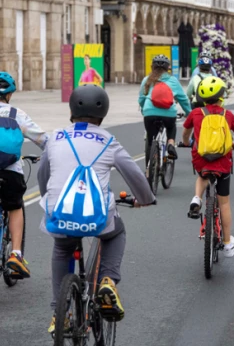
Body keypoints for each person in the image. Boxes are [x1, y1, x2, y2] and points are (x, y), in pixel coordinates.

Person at [38, 84, 156, 333]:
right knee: (116, 233)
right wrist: (145, 198)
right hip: (98, 218)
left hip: (59, 213)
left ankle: (58, 313)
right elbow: (134, 174)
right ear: (102, 115)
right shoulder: (109, 141)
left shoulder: (56, 137)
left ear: (71, 110)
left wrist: (47, 198)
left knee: (62, 249)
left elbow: (43, 174)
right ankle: (107, 281)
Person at [182, 77, 234, 258]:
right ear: (221, 97)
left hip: (201, 158)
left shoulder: (195, 113)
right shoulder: (227, 115)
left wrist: (186, 142)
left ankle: (197, 198)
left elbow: (185, 132)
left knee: (203, 175)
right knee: (224, 202)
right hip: (223, 161)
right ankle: (227, 244)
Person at [0, 72, 49, 279]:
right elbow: (44, 140)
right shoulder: (15, 114)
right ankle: (16, 255)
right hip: (10, 172)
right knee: (15, 206)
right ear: (9, 94)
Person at [139, 55, 191, 165]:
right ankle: (171, 144)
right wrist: (189, 113)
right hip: (168, 113)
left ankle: (149, 168)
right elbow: (183, 100)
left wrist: (144, 110)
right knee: (171, 126)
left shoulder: (146, 80)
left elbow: (141, 99)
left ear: (152, 67)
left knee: (150, 139)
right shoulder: (173, 80)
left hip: (150, 113)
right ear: (168, 68)